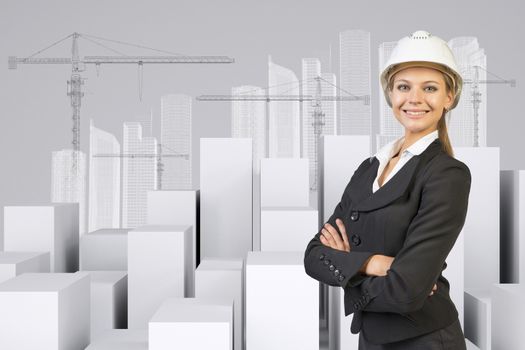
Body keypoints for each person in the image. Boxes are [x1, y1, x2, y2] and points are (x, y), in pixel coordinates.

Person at [303, 30, 472, 349]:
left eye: (430, 88)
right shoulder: (369, 168)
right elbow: (314, 256)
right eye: (404, 87)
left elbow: (408, 289)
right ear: (390, 94)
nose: (415, 99)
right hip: (371, 338)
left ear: (449, 97)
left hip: (424, 339)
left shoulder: (448, 174)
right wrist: (377, 263)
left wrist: (348, 271)